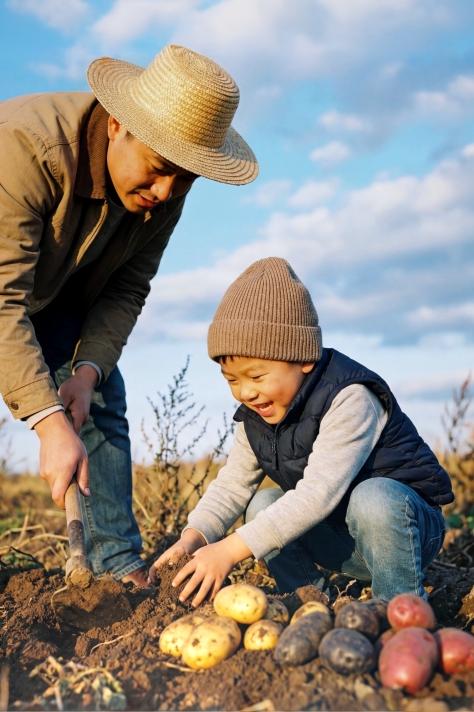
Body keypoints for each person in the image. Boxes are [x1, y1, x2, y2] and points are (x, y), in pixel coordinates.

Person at [0, 44, 258, 635]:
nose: (165, 190)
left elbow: (125, 290)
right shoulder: (28, 147)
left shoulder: (165, 191)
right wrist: (48, 421)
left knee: (100, 392)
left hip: (49, 262)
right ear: (117, 125)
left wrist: (83, 375)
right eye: (158, 167)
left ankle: (113, 560)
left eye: (184, 178)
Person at [151, 257, 452, 606]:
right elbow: (232, 485)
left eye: (257, 376)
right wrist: (195, 538)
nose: (245, 392)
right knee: (262, 503)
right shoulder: (256, 415)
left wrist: (230, 551)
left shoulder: (350, 398)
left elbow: (317, 494)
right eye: (232, 380)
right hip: (342, 536)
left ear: (303, 358)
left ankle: (400, 608)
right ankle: (309, 604)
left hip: (405, 532)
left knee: (373, 497)